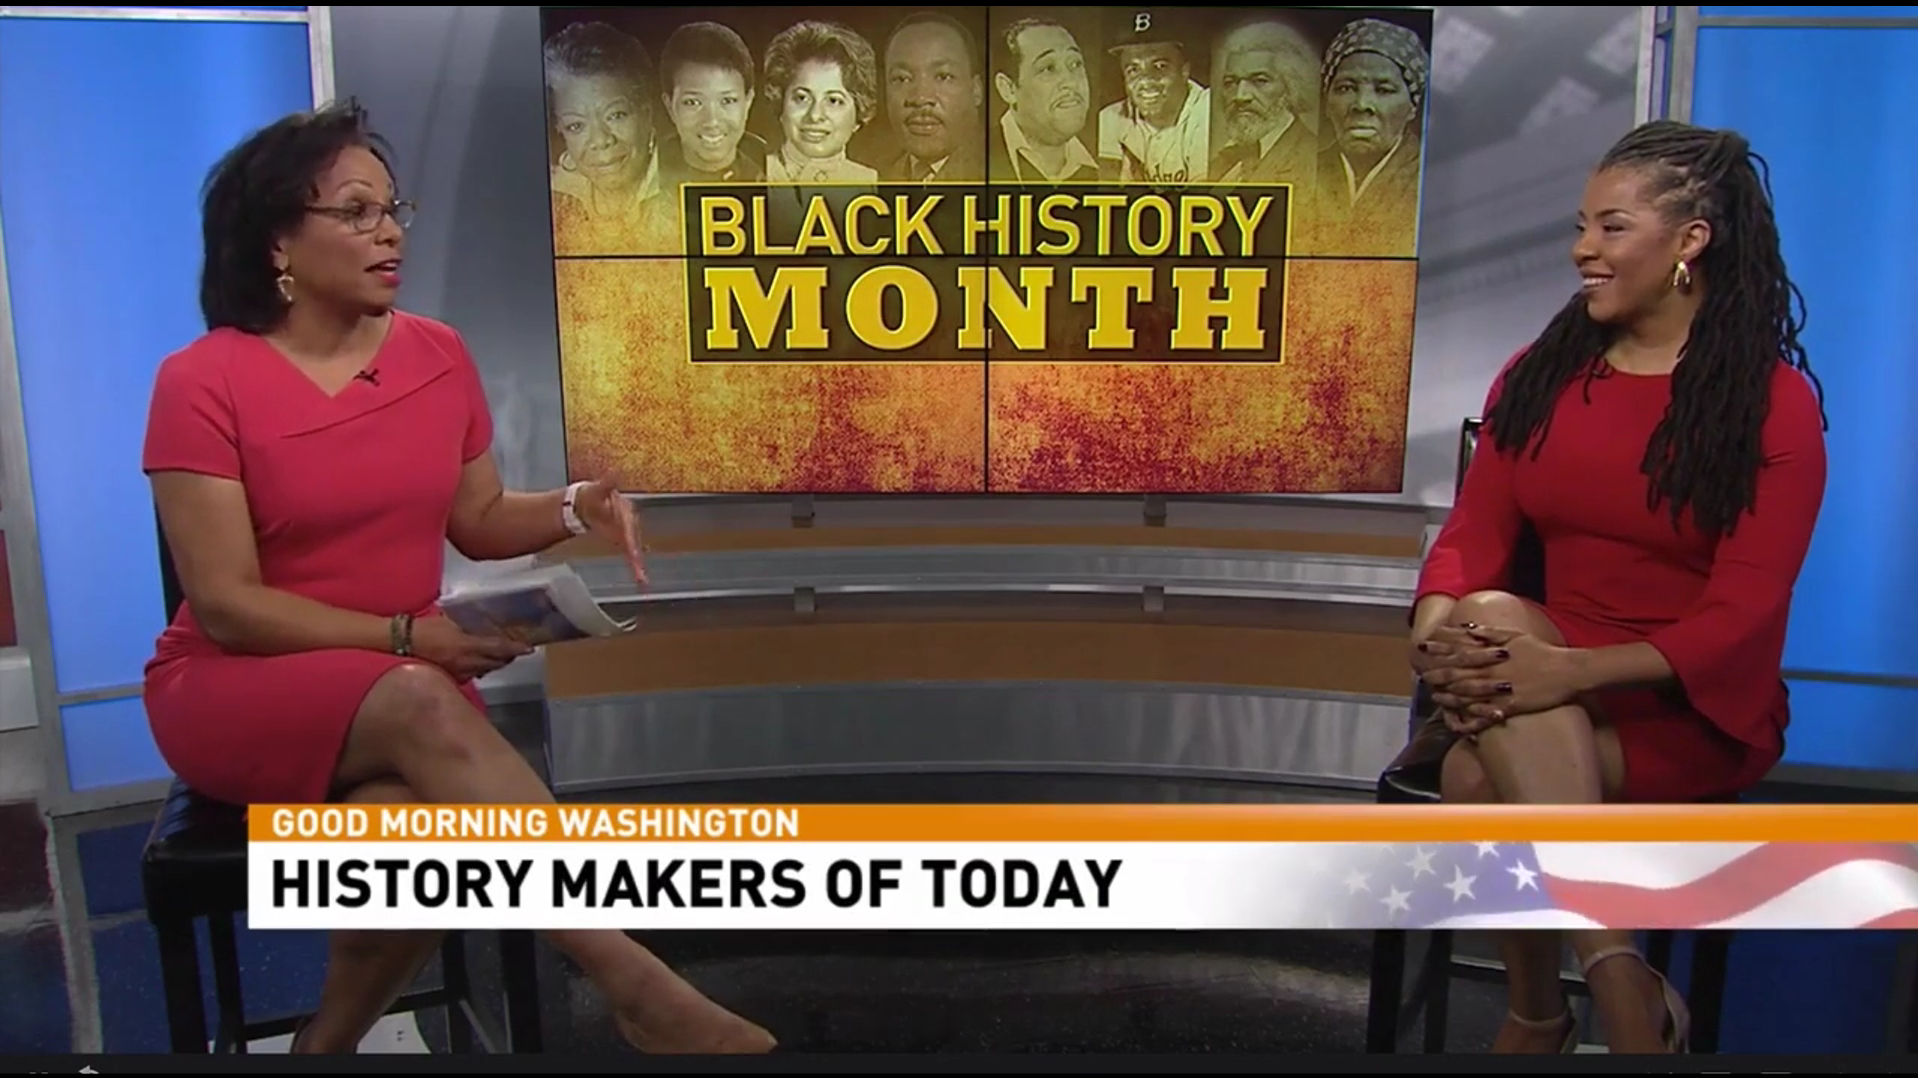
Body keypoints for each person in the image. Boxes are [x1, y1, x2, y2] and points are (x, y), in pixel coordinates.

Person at [140, 99, 777, 1056]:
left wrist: (575, 508)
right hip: (237, 684)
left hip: (403, 681)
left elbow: (478, 523)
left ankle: (325, 1047)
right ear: (276, 239)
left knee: (402, 826)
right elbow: (227, 607)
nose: (389, 230)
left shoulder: (438, 355)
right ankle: (630, 978)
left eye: (394, 208)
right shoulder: (201, 382)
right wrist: (405, 640)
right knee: (421, 702)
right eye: (355, 212)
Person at [1409, 120, 1828, 1054]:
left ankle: (1543, 1013)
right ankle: (1625, 983)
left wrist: (1573, 674)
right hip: (1540, 666)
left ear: (1690, 242)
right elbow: (1475, 538)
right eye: (1579, 228)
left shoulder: (1772, 403)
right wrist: (1436, 631)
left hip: (1684, 699)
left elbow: (1745, 612)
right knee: (1485, 620)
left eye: (1610, 229)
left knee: (1477, 773)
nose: (1581, 252)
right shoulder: (1542, 375)